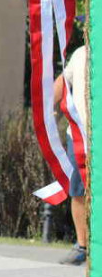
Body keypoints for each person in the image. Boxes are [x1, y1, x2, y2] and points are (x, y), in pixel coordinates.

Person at [56, 44, 88, 265]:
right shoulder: (81, 53)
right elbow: (64, 81)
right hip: (78, 134)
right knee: (77, 191)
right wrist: (48, 109)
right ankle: (82, 245)